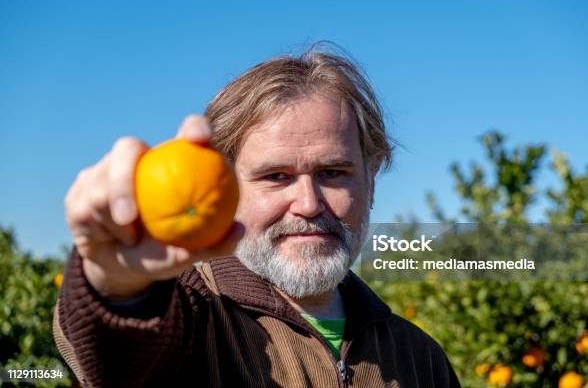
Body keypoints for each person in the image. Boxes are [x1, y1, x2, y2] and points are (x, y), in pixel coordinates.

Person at [54, 44, 461, 387]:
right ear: (228, 189)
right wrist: (116, 287)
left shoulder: (419, 358)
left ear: (370, 183)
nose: (308, 203)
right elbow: (119, 358)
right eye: (276, 176)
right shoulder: (194, 317)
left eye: (333, 173)